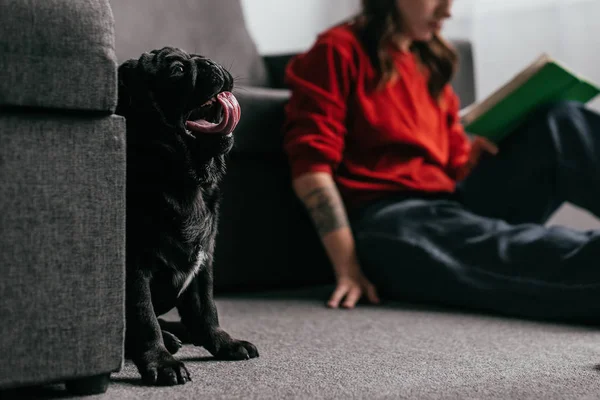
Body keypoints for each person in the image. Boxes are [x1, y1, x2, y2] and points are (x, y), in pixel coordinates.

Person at [282, 0, 600, 324]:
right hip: (390, 218)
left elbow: (454, 165)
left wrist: (476, 158)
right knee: (524, 251)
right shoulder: (337, 50)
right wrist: (348, 268)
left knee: (560, 122)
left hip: (451, 201)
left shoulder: (429, 60)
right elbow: (311, 170)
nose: (448, 11)